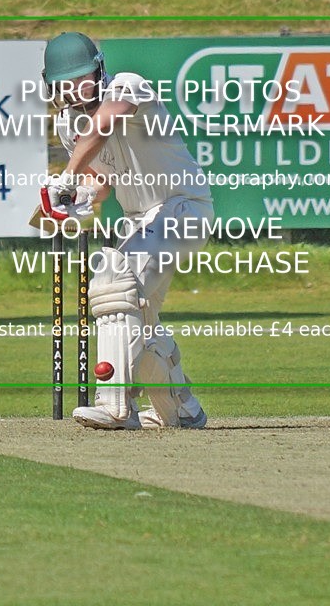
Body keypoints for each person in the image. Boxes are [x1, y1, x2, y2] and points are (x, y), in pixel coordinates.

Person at [40, 31, 213, 430]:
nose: (75, 90)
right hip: (141, 221)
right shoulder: (69, 125)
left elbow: (104, 123)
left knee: (113, 283)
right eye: (66, 84)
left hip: (182, 207)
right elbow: (103, 182)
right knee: (138, 318)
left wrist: (68, 174)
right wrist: (79, 195)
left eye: (83, 79)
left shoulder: (127, 85)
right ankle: (181, 409)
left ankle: (116, 404)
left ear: (99, 72)